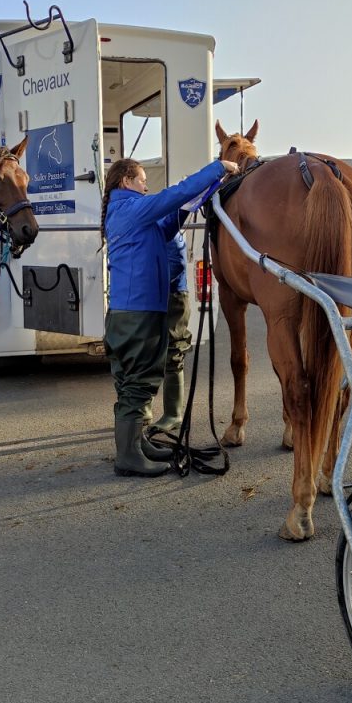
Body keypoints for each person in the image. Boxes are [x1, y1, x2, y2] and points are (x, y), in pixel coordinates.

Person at [101, 156, 238, 476]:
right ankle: (128, 456)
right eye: (141, 180)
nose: (146, 186)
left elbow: (167, 223)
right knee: (139, 382)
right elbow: (174, 195)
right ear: (126, 182)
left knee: (131, 382)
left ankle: (135, 444)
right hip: (139, 312)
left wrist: (201, 194)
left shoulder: (125, 212)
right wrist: (218, 168)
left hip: (128, 311)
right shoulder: (132, 208)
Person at [149, 228, 192, 435]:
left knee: (173, 351)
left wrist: (153, 284)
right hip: (161, 294)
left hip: (173, 295)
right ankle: (144, 409)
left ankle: (173, 414)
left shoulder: (167, 228)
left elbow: (177, 263)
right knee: (150, 351)